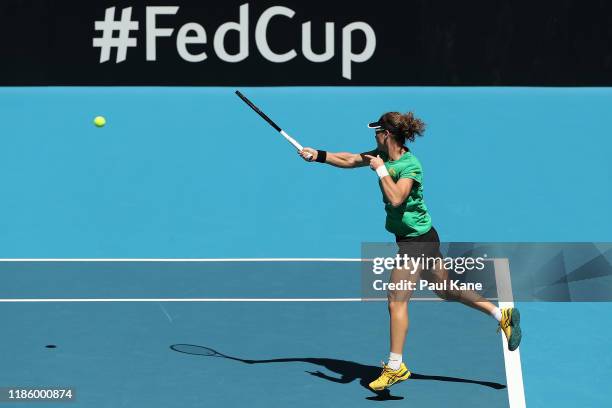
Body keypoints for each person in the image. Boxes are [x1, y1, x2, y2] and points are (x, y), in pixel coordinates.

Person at [298, 111, 522, 391]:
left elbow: (396, 198)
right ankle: (501, 315)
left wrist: (380, 170)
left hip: (416, 242)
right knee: (445, 289)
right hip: (420, 238)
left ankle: (395, 366)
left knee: (396, 299)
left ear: (386, 134)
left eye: (376, 131)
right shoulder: (382, 156)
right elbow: (349, 159)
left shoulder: (409, 165)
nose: (374, 135)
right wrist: (317, 155)